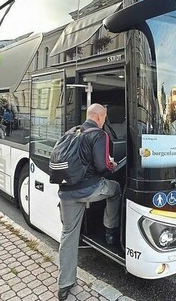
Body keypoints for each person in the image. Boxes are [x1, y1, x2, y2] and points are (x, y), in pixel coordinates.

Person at [57, 103, 121, 300]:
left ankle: (64, 284)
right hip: (89, 189)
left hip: (66, 191)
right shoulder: (99, 135)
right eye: (105, 118)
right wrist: (113, 164)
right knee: (115, 190)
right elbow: (103, 166)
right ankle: (110, 229)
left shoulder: (71, 132)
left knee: (68, 233)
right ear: (101, 118)